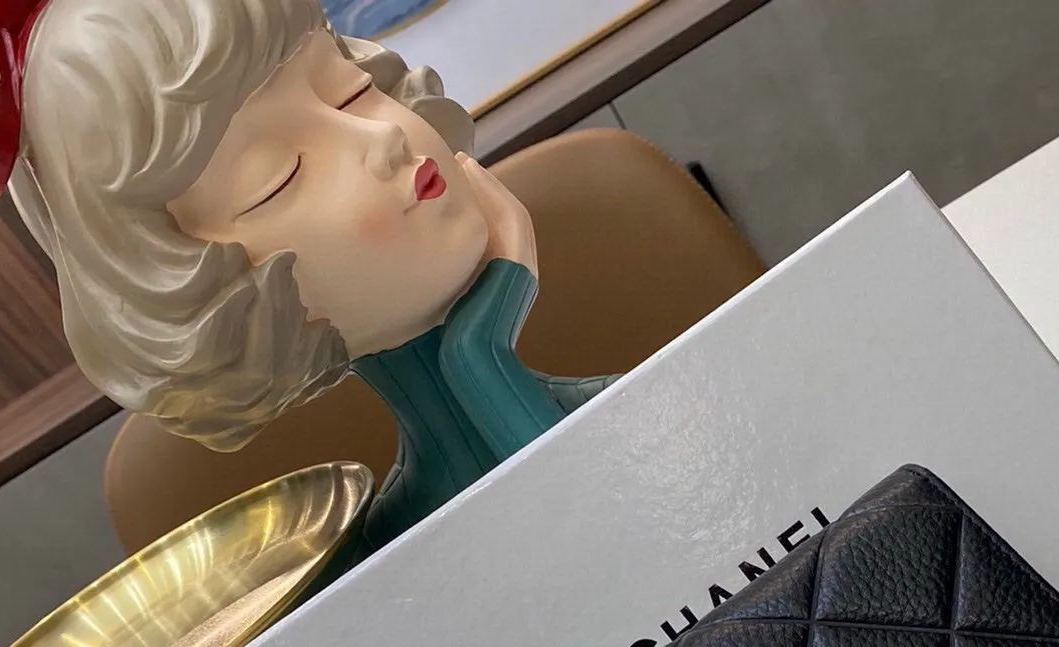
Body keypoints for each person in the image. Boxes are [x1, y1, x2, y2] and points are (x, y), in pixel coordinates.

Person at [3, 0, 615, 546]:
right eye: (278, 178)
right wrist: (479, 358)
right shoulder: (383, 579)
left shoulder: (652, 410)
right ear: (194, 287)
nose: (380, 136)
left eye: (350, 90)